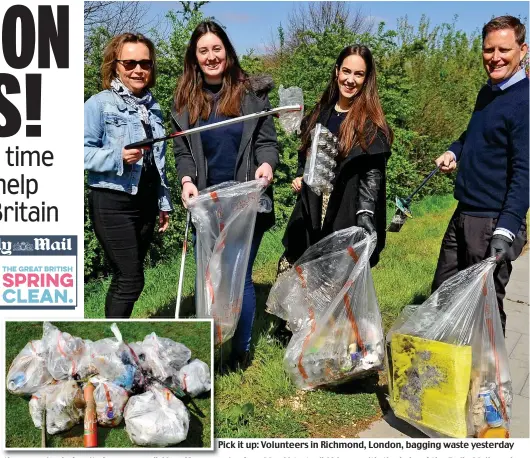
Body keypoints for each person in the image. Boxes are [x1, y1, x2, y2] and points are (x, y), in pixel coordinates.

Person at [172, 21, 279, 369]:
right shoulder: (186, 101)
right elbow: (183, 153)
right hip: (209, 204)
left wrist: (266, 165)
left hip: (247, 201)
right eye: (203, 51)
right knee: (213, 276)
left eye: (216, 49)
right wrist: (187, 181)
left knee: (239, 275)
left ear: (228, 52)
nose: (211, 56)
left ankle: (240, 352)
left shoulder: (252, 96)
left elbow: (266, 143)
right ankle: (216, 339)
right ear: (195, 58)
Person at [431, 16, 529, 335]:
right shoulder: (488, 92)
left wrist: (506, 231)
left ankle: (491, 382)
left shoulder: (524, 102)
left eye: (504, 49)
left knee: (483, 309)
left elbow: (524, 173)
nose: (495, 57)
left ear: (522, 50)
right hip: (463, 214)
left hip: (491, 223)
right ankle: (447, 374)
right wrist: (454, 151)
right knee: (443, 298)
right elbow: (471, 134)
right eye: (489, 50)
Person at [281, 45, 393, 271]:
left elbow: (373, 175)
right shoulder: (321, 112)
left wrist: (365, 213)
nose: (350, 80)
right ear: (337, 72)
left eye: (358, 74)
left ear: (366, 78)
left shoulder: (369, 124)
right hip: (310, 209)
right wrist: (300, 174)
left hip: (343, 212)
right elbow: (305, 152)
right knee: (292, 271)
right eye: (346, 71)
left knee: (331, 281)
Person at [84, 33, 172, 318]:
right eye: (130, 62)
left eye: (145, 63)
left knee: (129, 280)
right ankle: (112, 348)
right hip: (112, 203)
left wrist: (163, 202)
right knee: (130, 279)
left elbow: (157, 162)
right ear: (115, 65)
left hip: (144, 204)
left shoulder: (153, 107)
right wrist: (116, 156)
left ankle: (113, 343)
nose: (138, 70)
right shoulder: (99, 104)